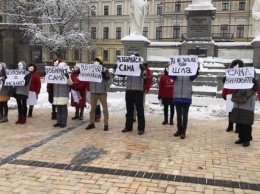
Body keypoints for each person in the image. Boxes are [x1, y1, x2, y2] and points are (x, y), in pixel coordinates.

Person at [229, 60, 258, 147]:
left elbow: (256, 87)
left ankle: (247, 139)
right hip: (238, 102)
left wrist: (253, 81)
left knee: (246, 123)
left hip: (247, 103)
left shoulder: (253, 82)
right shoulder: (239, 79)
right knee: (239, 122)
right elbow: (229, 81)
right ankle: (241, 137)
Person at [115, 53, 146, 135]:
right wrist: (117, 68)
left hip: (138, 91)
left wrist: (142, 69)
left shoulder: (141, 67)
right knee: (129, 110)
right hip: (129, 90)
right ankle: (128, 126)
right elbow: (121, 74)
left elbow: (145, 76)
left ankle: (141, 128)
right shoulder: (129, 68)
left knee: (140, 110)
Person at [171, 62, 200, 139]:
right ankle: (179, 129)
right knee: (178, 115)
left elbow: (195, 75)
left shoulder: (190, 73)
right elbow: (171, 75)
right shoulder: (176, 73)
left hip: (186, 96)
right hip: (177, 96)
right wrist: (170, 67)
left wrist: (197, 67)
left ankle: (183, 131)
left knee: (185, 115)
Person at [85, 56, 110, 131]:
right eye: (96, 60)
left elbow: (108, 78)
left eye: (98, 61)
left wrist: (103, 73)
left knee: (105, 109)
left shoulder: (104, 70)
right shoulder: (91, 69)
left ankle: (106, 124)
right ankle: (91, 123)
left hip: (102, 92)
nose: (96, 62)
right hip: (94, 92)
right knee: (92, 109)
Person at [222, 60, 243, 133]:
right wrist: (224, 94)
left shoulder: (242, 75)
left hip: (239, 94)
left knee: (238, 112)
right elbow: (226, 86)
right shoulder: (228, 76)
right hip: (230, 95)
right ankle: (230, 125)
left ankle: (237, 127)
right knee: (231, 112)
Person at [52, 62, 72, 128]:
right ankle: (58, 121)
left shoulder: (67, 74)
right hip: (57, 94)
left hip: (63, 94)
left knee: (63, 110)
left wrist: (68, 77)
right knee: (58, 110)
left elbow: (70, 83)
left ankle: (63, 122)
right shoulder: (56, 73)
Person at [47, 54, 62, 120]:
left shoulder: (62, 71)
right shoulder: (51, 70)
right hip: (52, 88)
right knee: (52, 101)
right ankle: (54, 113)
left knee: (58, 101)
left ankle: (59, 113)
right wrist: (48, 87)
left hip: (59, 89)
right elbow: (49, 80)